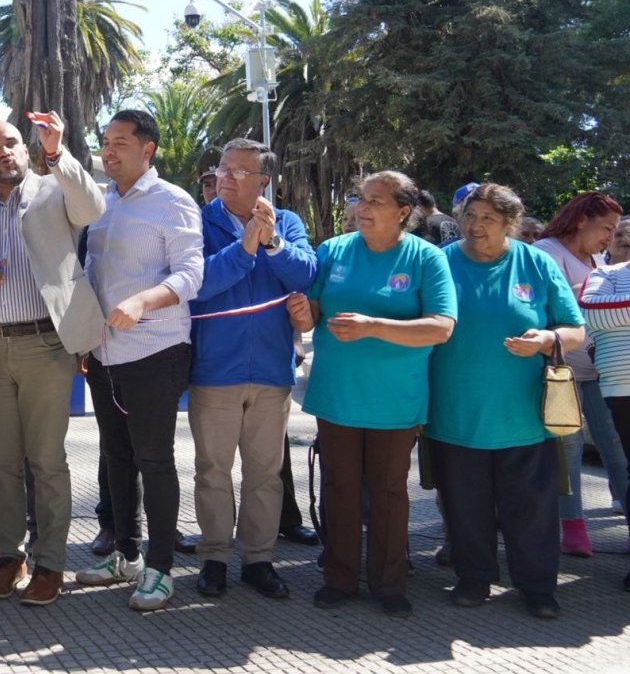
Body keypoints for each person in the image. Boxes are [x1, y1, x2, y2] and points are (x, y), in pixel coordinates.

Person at [294, 170, 456, 618]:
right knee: (340, 487)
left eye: (375, 201)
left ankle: (389, 583)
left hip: (396, 399)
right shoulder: (333, 250)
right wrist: (300, 310)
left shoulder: (426, 258)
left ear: (403, 212)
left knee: (388, 491)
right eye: (360, 199)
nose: (362, 208)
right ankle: (339, 578)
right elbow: (310, 319)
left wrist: (373, 326)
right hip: (337, 394)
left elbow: (441, 327)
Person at [0, 112, 104, 606]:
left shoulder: (55, 192)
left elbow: (92, 207)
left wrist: (57, 152)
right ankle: (9, 556)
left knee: (46, 461)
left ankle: (50, 563)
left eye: (10, 143)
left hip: (46, 345)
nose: (3, 151)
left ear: (25, 150)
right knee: (0, 461)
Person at [426, 183, 581, 620]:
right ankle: (473, 578)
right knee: (464, 505)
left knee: (531, 507)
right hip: (454, 411)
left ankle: (537, 587)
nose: (475, 226)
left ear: (510, 223)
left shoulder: (536, 262)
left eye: (488, 219)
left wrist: (547, 338)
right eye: (469, 216)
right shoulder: (440, 262)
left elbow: (574, 329)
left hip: (523, 414)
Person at [74, 109, 203, 611]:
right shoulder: (99, 202)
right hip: (103, 352)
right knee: (116, 457)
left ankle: (161, 569)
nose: (109, 151)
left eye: (120, 142)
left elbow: (191, 274)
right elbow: (90, 269)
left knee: (154, 460)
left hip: (155, 350)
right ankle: (124, 555)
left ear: (147, 149)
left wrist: (143, 301)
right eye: (105, 141)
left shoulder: (173, 201)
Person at [188, 138, 317, 601]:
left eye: (239, 171)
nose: (225, 177)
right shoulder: (196, 221)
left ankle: (258, 560)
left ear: (263, 179)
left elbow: (306, 274)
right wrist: (244, 250)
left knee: (265, 472)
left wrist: (273, 243)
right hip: (214, 370)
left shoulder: (286, 222)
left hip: (271, 370)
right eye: (223, 168)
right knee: (213, 471)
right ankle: (215, 559)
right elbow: (196, 283)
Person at [533, 192, 629, 556]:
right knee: (567, 447)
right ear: (581, 219)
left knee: (615, 447)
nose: (610, 237)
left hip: (599, 370)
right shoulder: (546, 252)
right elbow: (545, 306)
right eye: (606, 228)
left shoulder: (597, 258)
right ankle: (572, 527)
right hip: (561, 370)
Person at [577, 234, 630, 591]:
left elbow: (612, 314)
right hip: (623, 388)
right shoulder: (605, 274)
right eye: (620, 234)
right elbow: (593, 312)